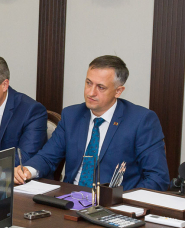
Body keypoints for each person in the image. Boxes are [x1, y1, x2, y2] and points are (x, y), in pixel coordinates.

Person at [15, 56, 170, 191]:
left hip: (114, 205)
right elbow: (47, 157)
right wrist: (27, 170)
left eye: (100, 87)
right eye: (89, 83)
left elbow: (157, 178)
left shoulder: (141, 120)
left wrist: (125, 203)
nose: (90, 92)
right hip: (70, 199)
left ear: (118, 91)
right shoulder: (72, 115)